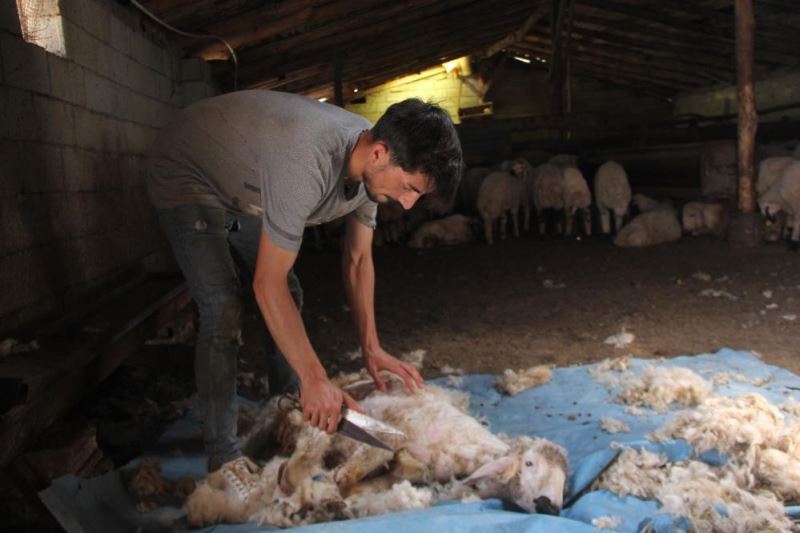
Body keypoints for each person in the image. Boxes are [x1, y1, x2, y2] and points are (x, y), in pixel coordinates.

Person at [144, 90, 463, 500]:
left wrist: (372, 349)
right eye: (408, 188)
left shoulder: (371, 173)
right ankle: (223, 456)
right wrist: (316, 377)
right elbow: (265, 283)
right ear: (381, 153)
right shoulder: (306, 162)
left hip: (243, 176)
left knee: (289, 289)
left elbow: (358, 260)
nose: (406, 204)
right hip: (187, 171)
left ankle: (288, 409)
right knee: (223, 305)